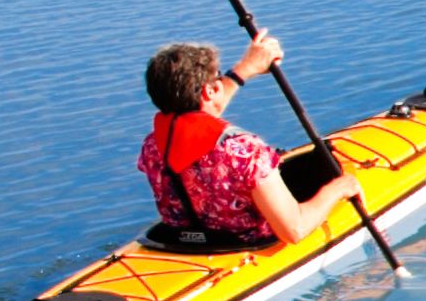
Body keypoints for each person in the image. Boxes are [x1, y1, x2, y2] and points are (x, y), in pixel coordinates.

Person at [139, 31, 368, 246]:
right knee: (325, 172)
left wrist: (246, 68)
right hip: (249, 243)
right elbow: (295, 230)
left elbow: (199, 113)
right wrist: (339, 188)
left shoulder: (153, 145)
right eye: (217, 78)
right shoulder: (245, 151)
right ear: (209, 92)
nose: (221, 82)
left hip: (187, 242)